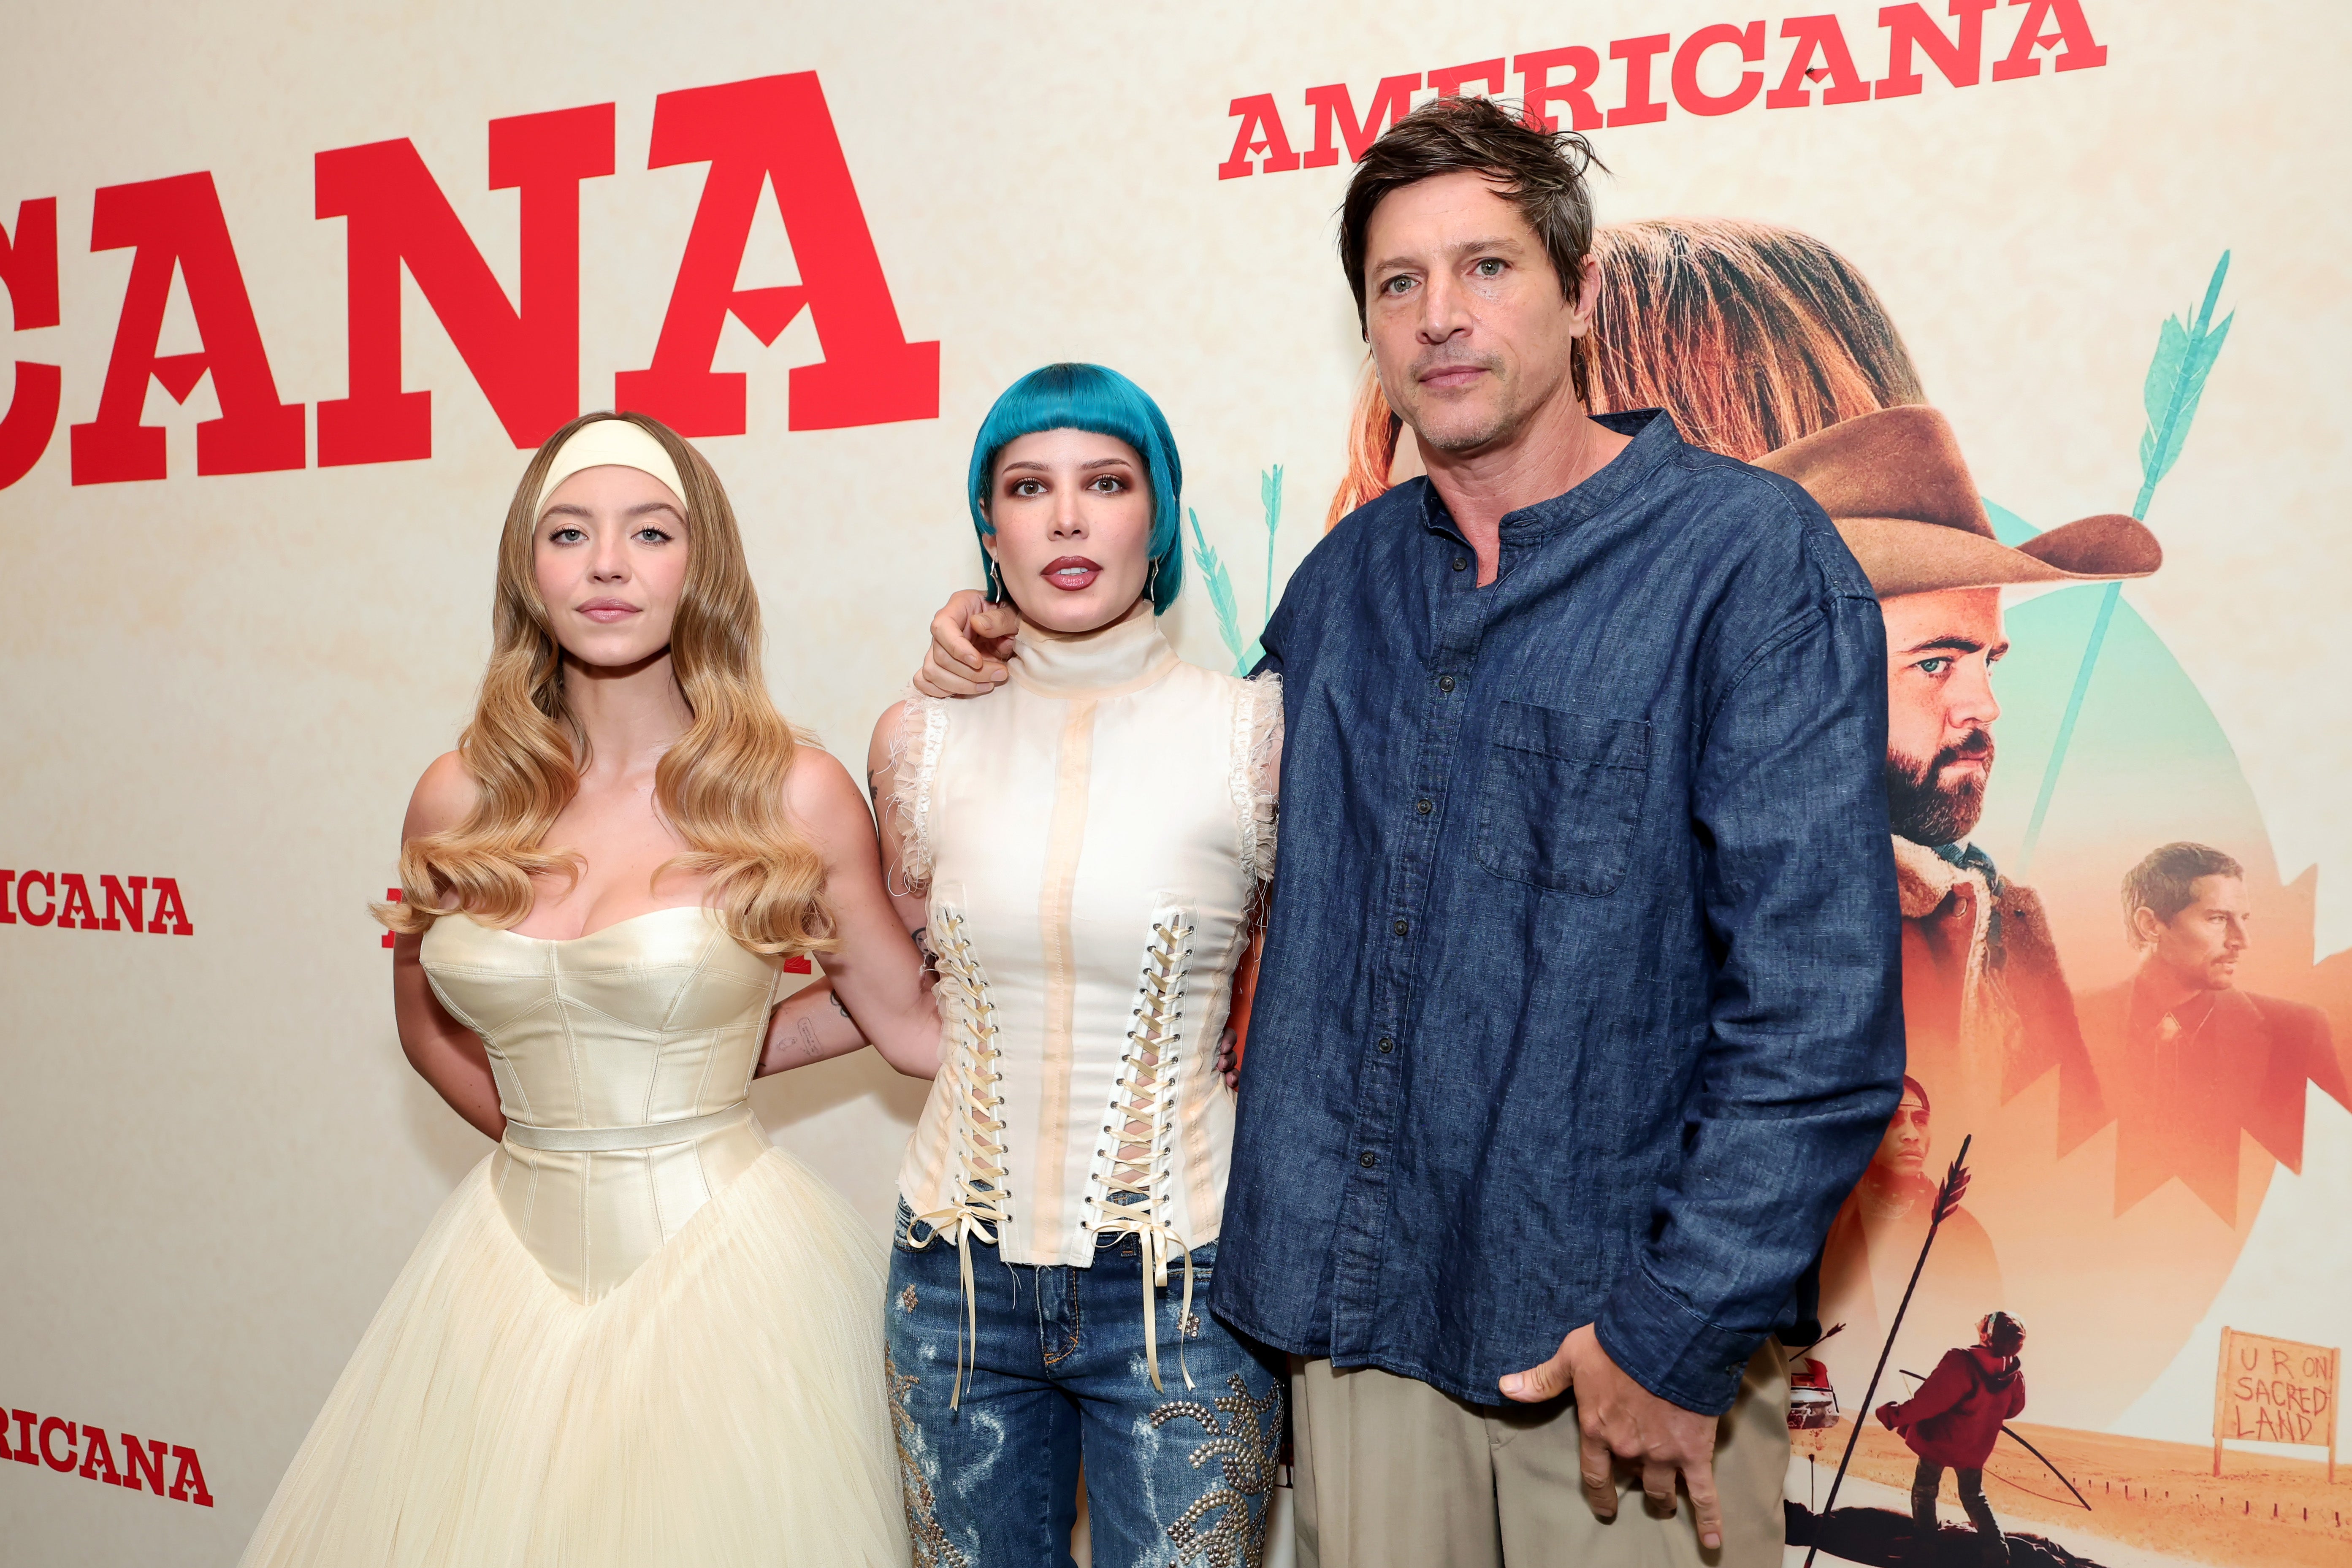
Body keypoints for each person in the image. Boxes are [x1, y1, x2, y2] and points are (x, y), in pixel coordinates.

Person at [918, 98, 1905, 1565]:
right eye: (1398, 284)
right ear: (1369, 329)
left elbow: (1818, 1012)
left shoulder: (1747, 564)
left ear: (1579, 294)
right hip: (1357, 1340)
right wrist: (1003, 662)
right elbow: (1173, 821)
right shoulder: (1342, 587)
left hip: (1611, 1354)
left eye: (1488, 268)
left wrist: (1677, 1326)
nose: (1442, 317)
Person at [240, 412, 941, 1568]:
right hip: (496, 1274)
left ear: (698, 564)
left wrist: (717, 1066)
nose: (607, 562)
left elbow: (908, 1025)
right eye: (569, 533)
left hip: (724, 1280)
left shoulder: (794, 793)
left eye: (648, 531)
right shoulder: (456, 795)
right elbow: (421, 1016)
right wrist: (551, 1138)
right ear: (531, 571)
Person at [873, 363, 1288, 1568]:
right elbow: (912, 976)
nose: (1064, 518)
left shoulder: (1253, 733)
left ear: (1152, 515)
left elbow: (1300, 991)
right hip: (948, 1285)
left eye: (1104, 483)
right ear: (987, 525)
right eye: (1026, 486)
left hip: (1191, 1287)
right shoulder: (916, 741)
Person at [2078, 842, 2344, 1221]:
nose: (2242, 940)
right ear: (2150, 924)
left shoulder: (2299, 1033)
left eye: (2244, 919)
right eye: (2218, 919)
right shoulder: (2072, 1022)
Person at [1816, 1077, 2002, 1408]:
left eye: (1920, 1120)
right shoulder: (1826, 1211)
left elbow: (1986, 1329)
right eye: (1892, 1120)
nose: (1911, 1134)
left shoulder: (1963, 1232)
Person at [1876, 1311, 2029, 1561]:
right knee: (1974, 1496)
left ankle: (1925, 1546)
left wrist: (1893, 1416)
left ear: (1987, 1335)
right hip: (1975, 1447)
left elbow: (1928, 1403)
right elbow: (2014, 1409)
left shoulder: (1961, 1362)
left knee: (1925, 1490)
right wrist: (1984, 1414)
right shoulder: (2014, 1375)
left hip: (1941, 1441)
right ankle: (1997, 1551)